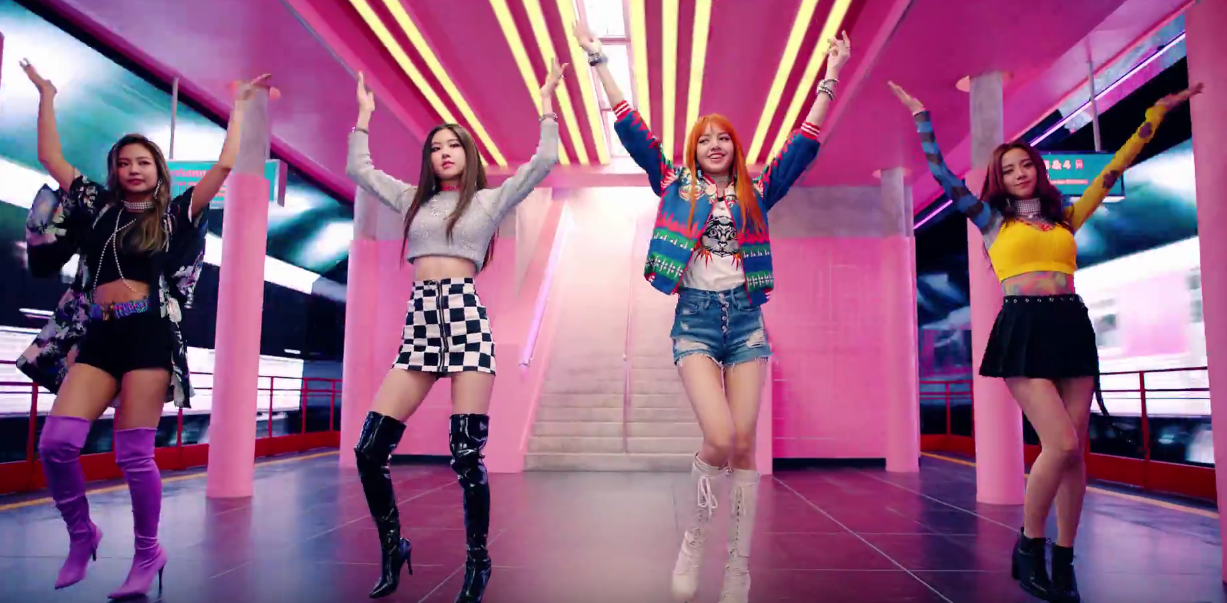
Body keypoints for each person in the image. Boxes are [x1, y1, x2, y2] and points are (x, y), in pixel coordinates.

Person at [889, 79, 1203, 603]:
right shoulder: (990, 220)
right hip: (1023, 327)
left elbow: (1111, 171)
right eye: (1008, 170)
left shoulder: (1064, 219)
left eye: (1025, 165)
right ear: (1000, 180)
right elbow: (942, 174)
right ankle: (1030, 544)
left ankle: (1065, 558)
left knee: (1075, 454)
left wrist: (1155, 115)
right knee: (1059, 444)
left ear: (1037, 169)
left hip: (1070, 325)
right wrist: (922, 114)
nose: (1019, 174)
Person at [573, 21, 851, 603]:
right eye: (705, 140)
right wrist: (599, 59)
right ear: (694, 151)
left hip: (746, 323)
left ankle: (737, 567)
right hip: (696, 323)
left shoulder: (757, 191)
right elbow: (631, 128)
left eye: (724, 138)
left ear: (735, 148)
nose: (716, 145)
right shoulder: (675, 183)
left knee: (745, 445)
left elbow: (802, 147)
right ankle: (696, 537)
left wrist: (830, 76)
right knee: (720, 437)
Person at [16, 59, 268, 599]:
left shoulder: (175, 214)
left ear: (159, 170)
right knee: (57, 445)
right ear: (114, 170)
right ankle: (81, 534)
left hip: (149, 337)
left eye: (144, 162)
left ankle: (148, 550)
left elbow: (224, 165)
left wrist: (241, 108)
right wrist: (47, 94)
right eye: (125, 162)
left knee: (134, 455)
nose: (134, 169)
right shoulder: (97, 207)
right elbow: (51, 157)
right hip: (99, 336)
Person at [345, 59, 565, 601]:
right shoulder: (412, 199)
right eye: (436, 147)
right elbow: (360, 171)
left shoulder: (489, 201)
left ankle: (477, 562)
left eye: (453, 145)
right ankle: (393, 544)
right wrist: (364, 118)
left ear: (468, 154)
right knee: (369, 450)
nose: (444, 152)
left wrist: (546, 106)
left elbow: (544, 161)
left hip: (465, 320)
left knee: (466, 457)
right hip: (421, 321)